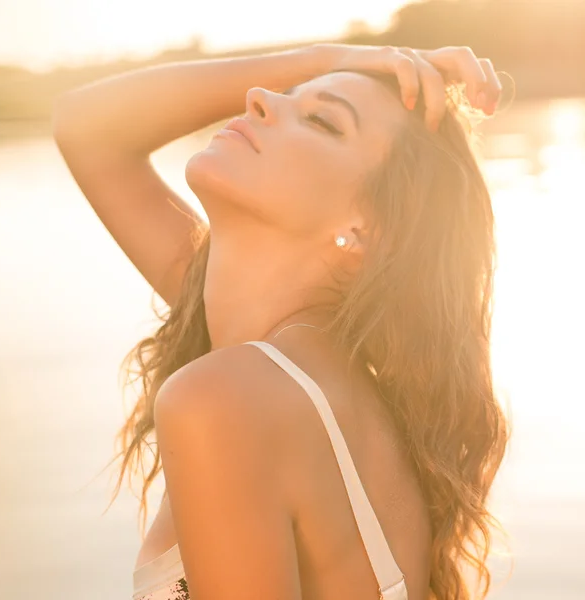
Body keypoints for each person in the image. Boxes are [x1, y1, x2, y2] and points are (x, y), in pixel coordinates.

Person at [52, 42, 510, 600]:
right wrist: (326, 59)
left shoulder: (232, 397)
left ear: (368, 228)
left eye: (321, 120)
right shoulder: (311, 377)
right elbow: (86, 127)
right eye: (285, 94)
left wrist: (330, 66)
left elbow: (87, 129)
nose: (260, 98)